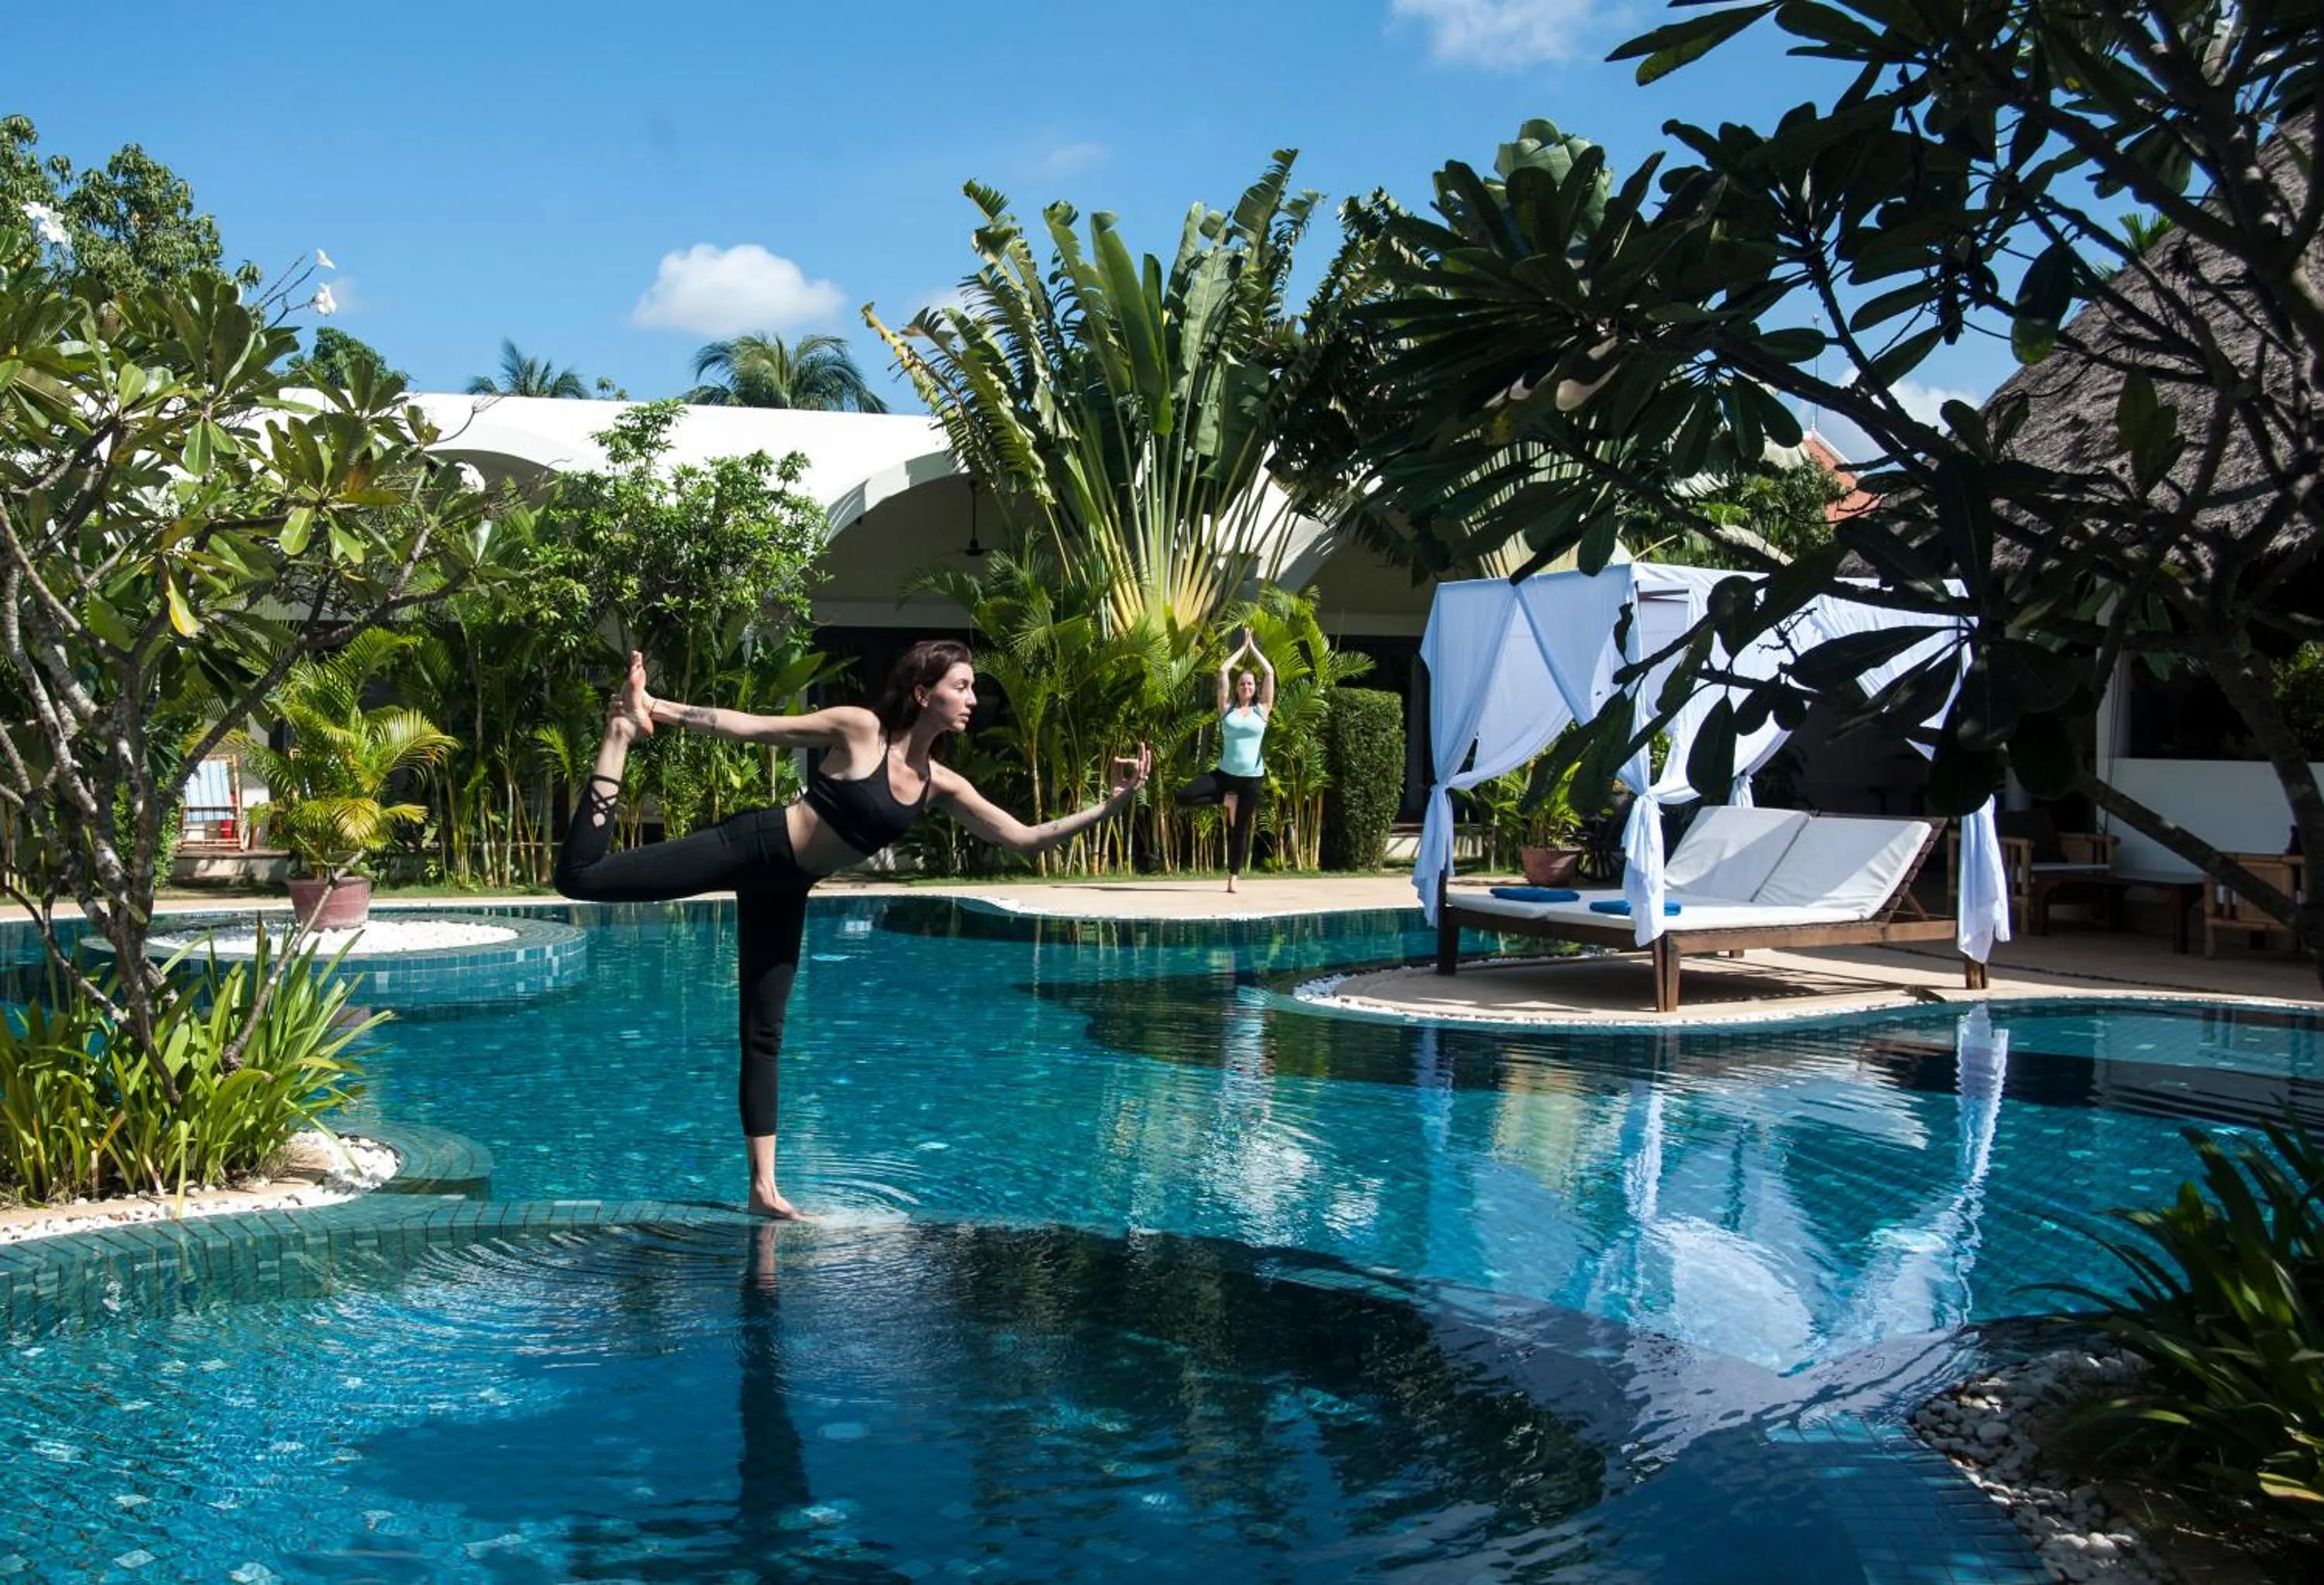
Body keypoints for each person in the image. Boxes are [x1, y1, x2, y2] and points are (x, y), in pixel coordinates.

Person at [555, 641, 1152, 1219]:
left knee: (764, 1036)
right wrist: (654, 708)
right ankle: (619, 735)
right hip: (752, 845)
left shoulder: (940, 784)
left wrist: (1111, 805)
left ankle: (763, 1188)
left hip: (787, 888)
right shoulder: (860, 728)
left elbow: (1022, 839)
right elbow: (754, 728)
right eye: (961, 687)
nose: (973, 699)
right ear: (923, 693)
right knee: (581, 879)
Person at [1174, 627, 1274, 893]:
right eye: (1242, 683)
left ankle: (1233, 877)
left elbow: (1270, 673)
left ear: (1255, 690)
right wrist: (1241, 649)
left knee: (1240, 829)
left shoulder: (1262, 710)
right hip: (1224, 775)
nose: (1245, 687)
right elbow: (1221, 672)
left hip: (1252, 780)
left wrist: (1254, 649)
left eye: (1249, 684)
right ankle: (1225, 799)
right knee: (1183, 796)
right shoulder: (1226, 709)